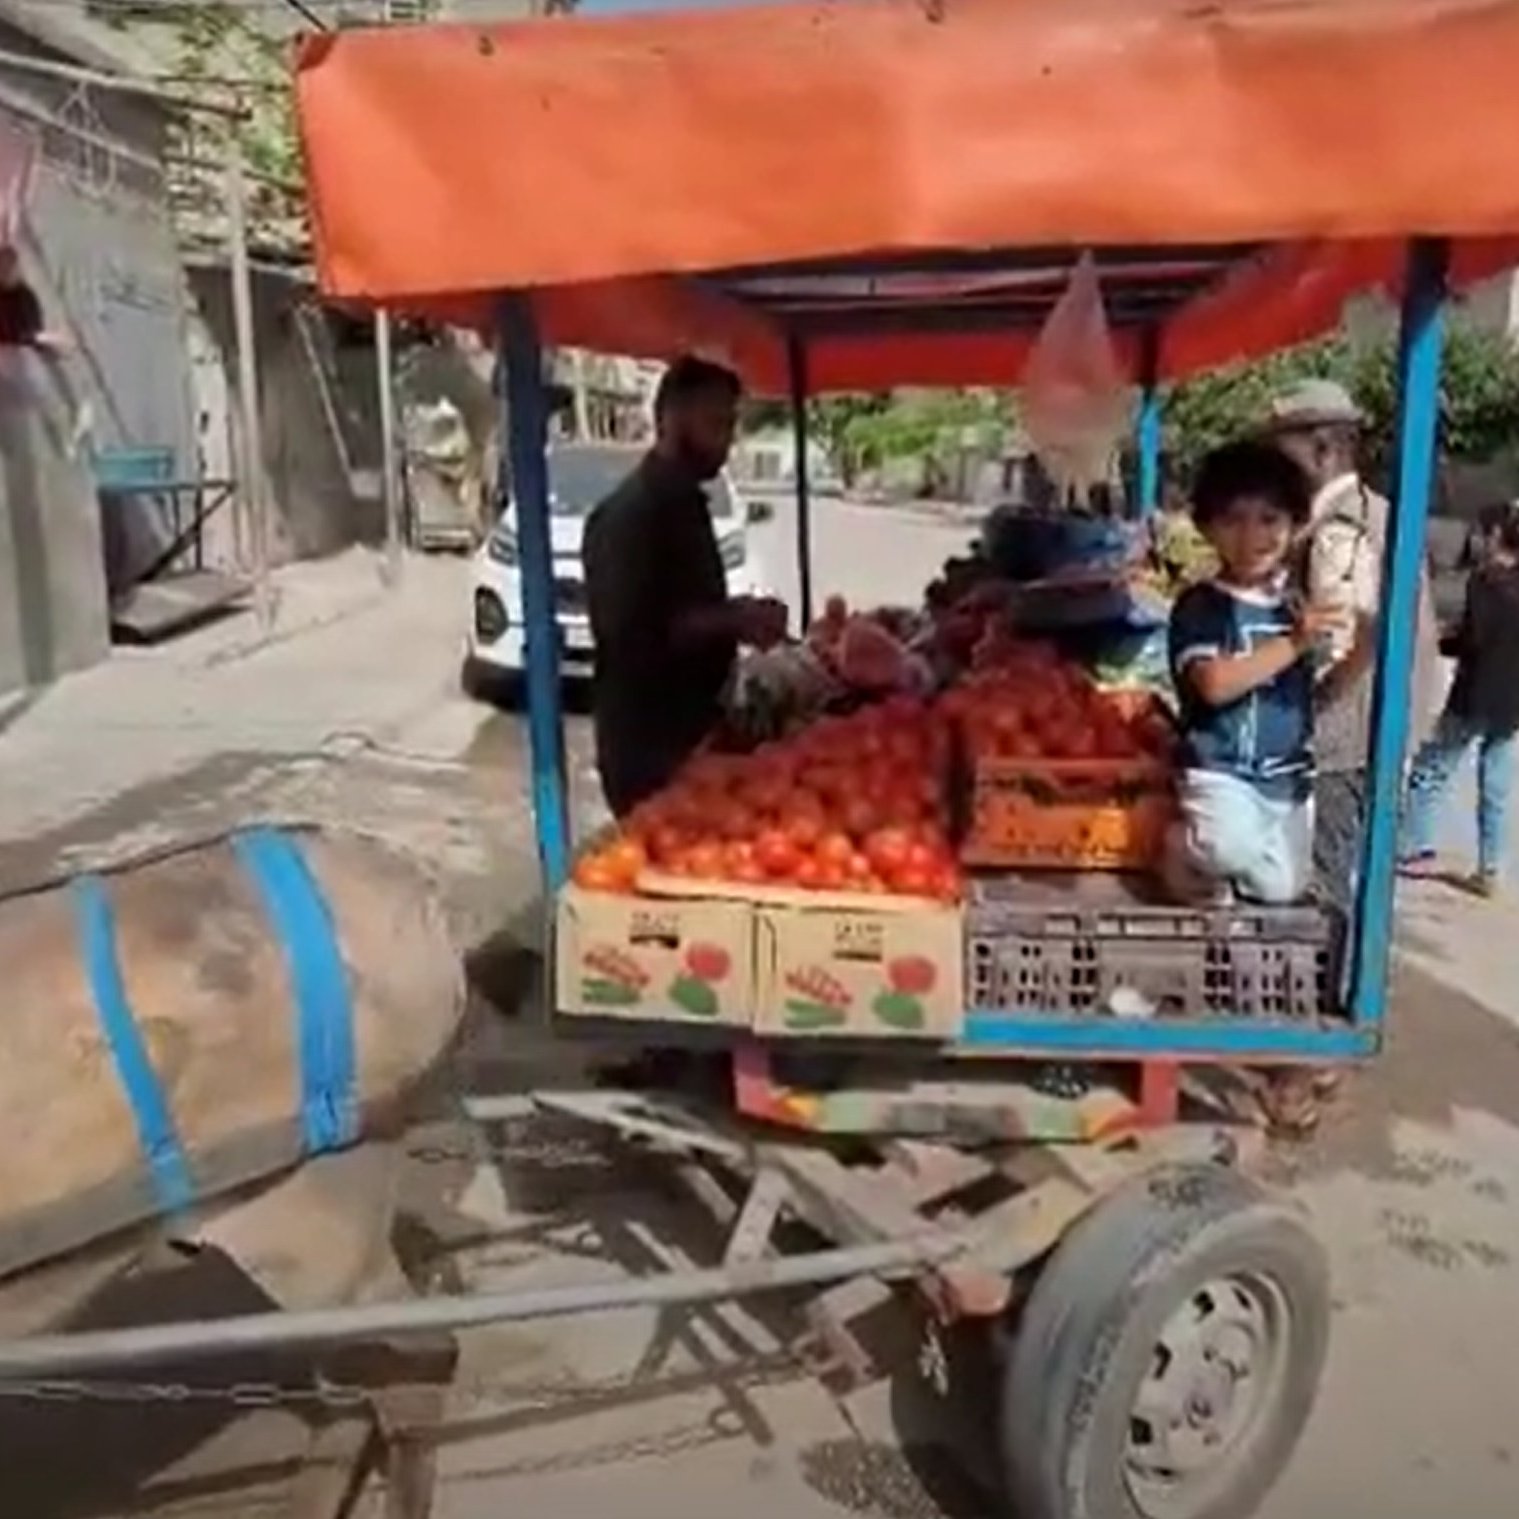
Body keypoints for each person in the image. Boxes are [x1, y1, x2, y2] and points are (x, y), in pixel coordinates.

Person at [583, 355, 788, 818]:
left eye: (731, 424)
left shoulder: (687, 503)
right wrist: (733, 620)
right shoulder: (630, 515)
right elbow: (631, 633)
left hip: (694, 732)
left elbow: (685, 605)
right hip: (651, 749)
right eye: (716, 422)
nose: (728, 440)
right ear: (669, 420)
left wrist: (737, 613)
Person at [1266, 378, 1440, 915]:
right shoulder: (1378, 509)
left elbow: (1349, 640)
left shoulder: (1341, 528)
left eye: (1283, 456)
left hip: (1348, 736)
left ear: (1323, 448)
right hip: (1381, 725)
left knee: (1329, 880)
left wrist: (1305, 708)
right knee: (1357, 873)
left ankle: (1338, 987)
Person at [1163, 440, 1347, 904]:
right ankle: (1176, 847)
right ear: (1206, 527)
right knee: (1227, 848)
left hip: (1285, 779)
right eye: (1233, 520)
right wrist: (1293, 643)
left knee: (1281, 889)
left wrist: (1364, 646)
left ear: (1294, 526)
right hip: (1221, 771)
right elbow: (1215, 684)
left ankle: (1222, 868)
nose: (1251, 537)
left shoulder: (1295, 606)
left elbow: (1314, 691)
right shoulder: (1202, 606)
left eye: (1269, 520)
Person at [1400, 500, 1519, 896]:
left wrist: (1443, 641)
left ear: (1496, 536)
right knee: (1497, 782)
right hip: (1511, 700)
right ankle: (1490, 868)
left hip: (1474, 693)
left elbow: (1475, 639)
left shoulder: (1485, 581)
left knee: (1431, 769)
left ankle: (1416, 848)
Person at [0, 244, 67, 352]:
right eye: (2, 269)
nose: (5, 273)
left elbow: (32, 333)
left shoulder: (25, 298)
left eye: (8, 269)